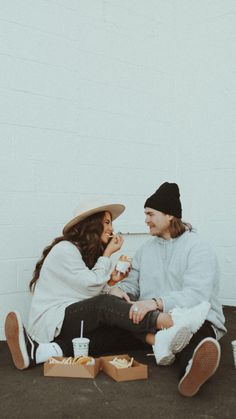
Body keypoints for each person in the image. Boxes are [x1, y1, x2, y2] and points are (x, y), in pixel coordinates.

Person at [5, 199, 209, 371]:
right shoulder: (65, 249)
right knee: (105, 304)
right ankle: (172, 322)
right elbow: (90, 288)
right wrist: (108, 255)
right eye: (106, 222)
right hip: (54, 320)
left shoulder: (85, 254)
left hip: (71, 323)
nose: (111, 228)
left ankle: (40, 352)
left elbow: (89, 288)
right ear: (92, 224)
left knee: (116, 327)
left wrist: (114, 284)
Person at [109, 182, 226, 397]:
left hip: (194, 318)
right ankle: (52, 351)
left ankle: (192, 370)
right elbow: (132, 285)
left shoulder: (198, 248)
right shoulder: (145, 250)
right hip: (153, 321)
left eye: (150, 214)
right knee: (111, 324)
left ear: (170, 215)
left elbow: (196, 296)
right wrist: (118, 290)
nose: (146, 220)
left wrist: (154, 302)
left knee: (195, 336)